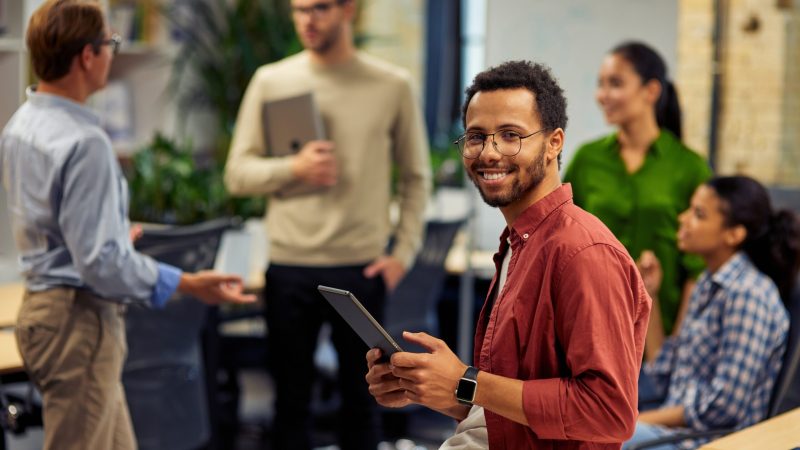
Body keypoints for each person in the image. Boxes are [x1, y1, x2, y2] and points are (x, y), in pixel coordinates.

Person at [0, 2, 256, 450]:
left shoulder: (22, 124)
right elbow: (99, 263)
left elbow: (56, 220)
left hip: (44, 311)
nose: (112, 53)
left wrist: (110, 230)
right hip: (79, 321)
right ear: (87, 55)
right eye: (110, 43)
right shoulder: (85, 142)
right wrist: (190, 282)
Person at [366, 60, 651, 450]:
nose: (489, 152)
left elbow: (609, 414)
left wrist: (467, 380)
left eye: (511, 135)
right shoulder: (519, 243)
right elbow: (505, 414)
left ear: (554, 143)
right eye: (476, 136)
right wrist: (428, 388)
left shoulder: (584, 253)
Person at [223, 0, 431, 447]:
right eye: (298, 10)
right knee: (289, 408)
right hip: (289, 268)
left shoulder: (392, 85)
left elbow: (417, 178)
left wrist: (402, 255)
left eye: (318, 8)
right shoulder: (272, 80)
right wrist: (293, 169)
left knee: (364, 404)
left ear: (347, 9)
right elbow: (237, 174)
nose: (307, 20)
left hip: (360, 269)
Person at [626, 176, 797, 449]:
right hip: (671, 433)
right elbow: (663, 370)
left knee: (605, 438)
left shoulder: (747, 295)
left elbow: (723, 406)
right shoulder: (709, 283)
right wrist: (651, 294)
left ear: (734, 234)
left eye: (698, 214)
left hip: (708, 441)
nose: (683, 219)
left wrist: (636, 420)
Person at [563, 42, 712, 356]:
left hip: (658, 337)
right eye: (600, 84)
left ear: (651, 91)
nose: (602, 95)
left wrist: (676, 349)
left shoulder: (689, 167)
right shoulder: (587, 160)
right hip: (589, 331)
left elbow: (698, 269)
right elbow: (560, 238)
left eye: (615, 83)